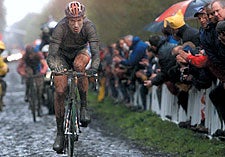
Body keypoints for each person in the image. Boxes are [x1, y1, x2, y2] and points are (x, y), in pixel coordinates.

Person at [46, 1, 100, 153]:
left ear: (84, 18)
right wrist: (55, 68)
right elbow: (51, 55)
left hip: (80, 53)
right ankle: (59, 134)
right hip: (61, 56)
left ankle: (83, 107)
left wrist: (94, 68)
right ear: (67, 20)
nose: (76, 25)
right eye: (72, 21)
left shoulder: (89, 26)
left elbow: (96, 53)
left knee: (79, 66)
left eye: (79, 21)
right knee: (60, 90)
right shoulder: (60, 28)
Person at [17, 44, 48, 115]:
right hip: (29, 69)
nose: (30, 56)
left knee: (39, 89)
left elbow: (45, 65)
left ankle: (39, 105)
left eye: (32, 54)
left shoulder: (39, 55)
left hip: (37, 70)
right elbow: (19, 67)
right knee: (28, 74)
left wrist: (42, 72)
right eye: (29, 55)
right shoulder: (25, 56)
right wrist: (23, 73)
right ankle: (28, 93)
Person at [0, 41, 9, 111]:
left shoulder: (1, 58)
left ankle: (1, 98)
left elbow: (3, 65)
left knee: (3, 84)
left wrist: (5, 69)